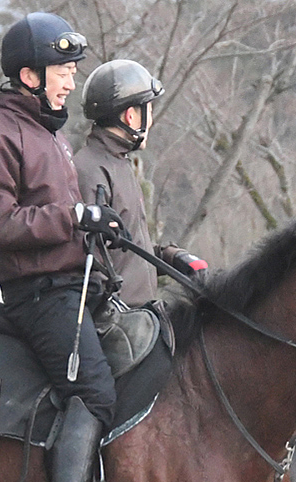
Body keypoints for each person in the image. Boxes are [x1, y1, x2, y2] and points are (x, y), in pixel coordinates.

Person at [0, 12, 125, 482]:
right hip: (38, 294)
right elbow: (1, 225)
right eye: (63, 71)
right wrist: (73, 216)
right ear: (29, 75)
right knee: (96, 393)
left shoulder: (49, 135)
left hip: (75, 285)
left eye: (73, 71)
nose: (72, 81)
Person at [73, 59, 206, 306]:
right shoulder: (90, 170)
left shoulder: (118, 163)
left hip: (139, 315)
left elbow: (125, 249)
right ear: (131, 115)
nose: (151, 120)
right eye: (149, 110)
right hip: (118, 325)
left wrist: (171, 257)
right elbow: (89, 263)